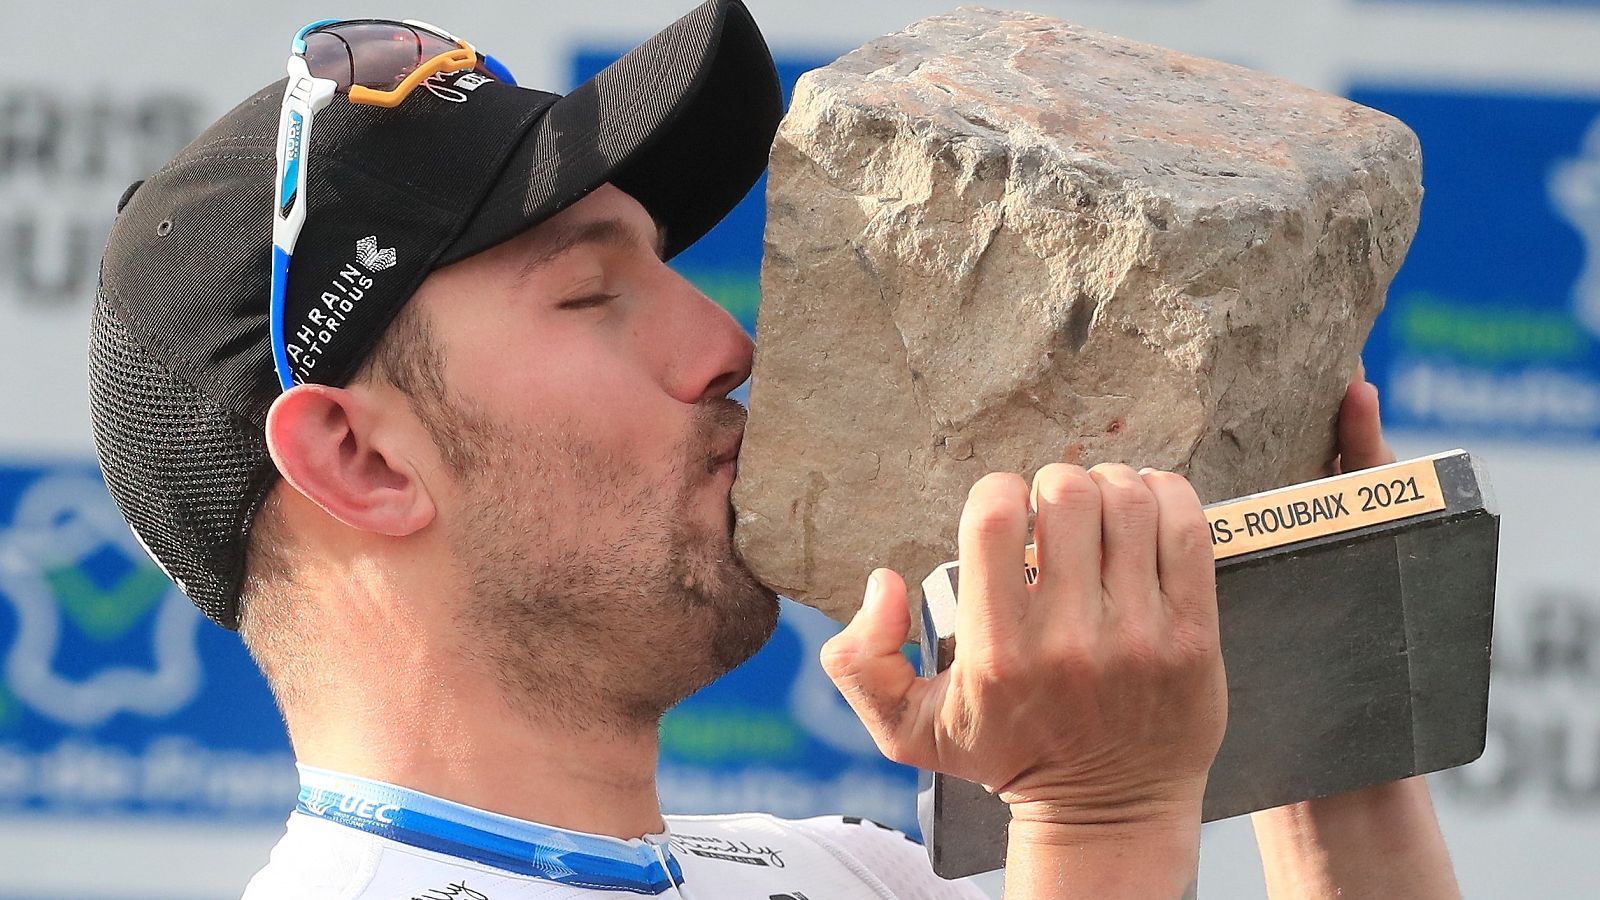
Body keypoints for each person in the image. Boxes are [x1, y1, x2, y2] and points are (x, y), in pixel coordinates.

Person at [86, 1, 1460, 896]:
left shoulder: (842, 872)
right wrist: (1098, 826)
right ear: (364, 462)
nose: (730, 343)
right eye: (588, 294)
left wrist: (1300, 698)